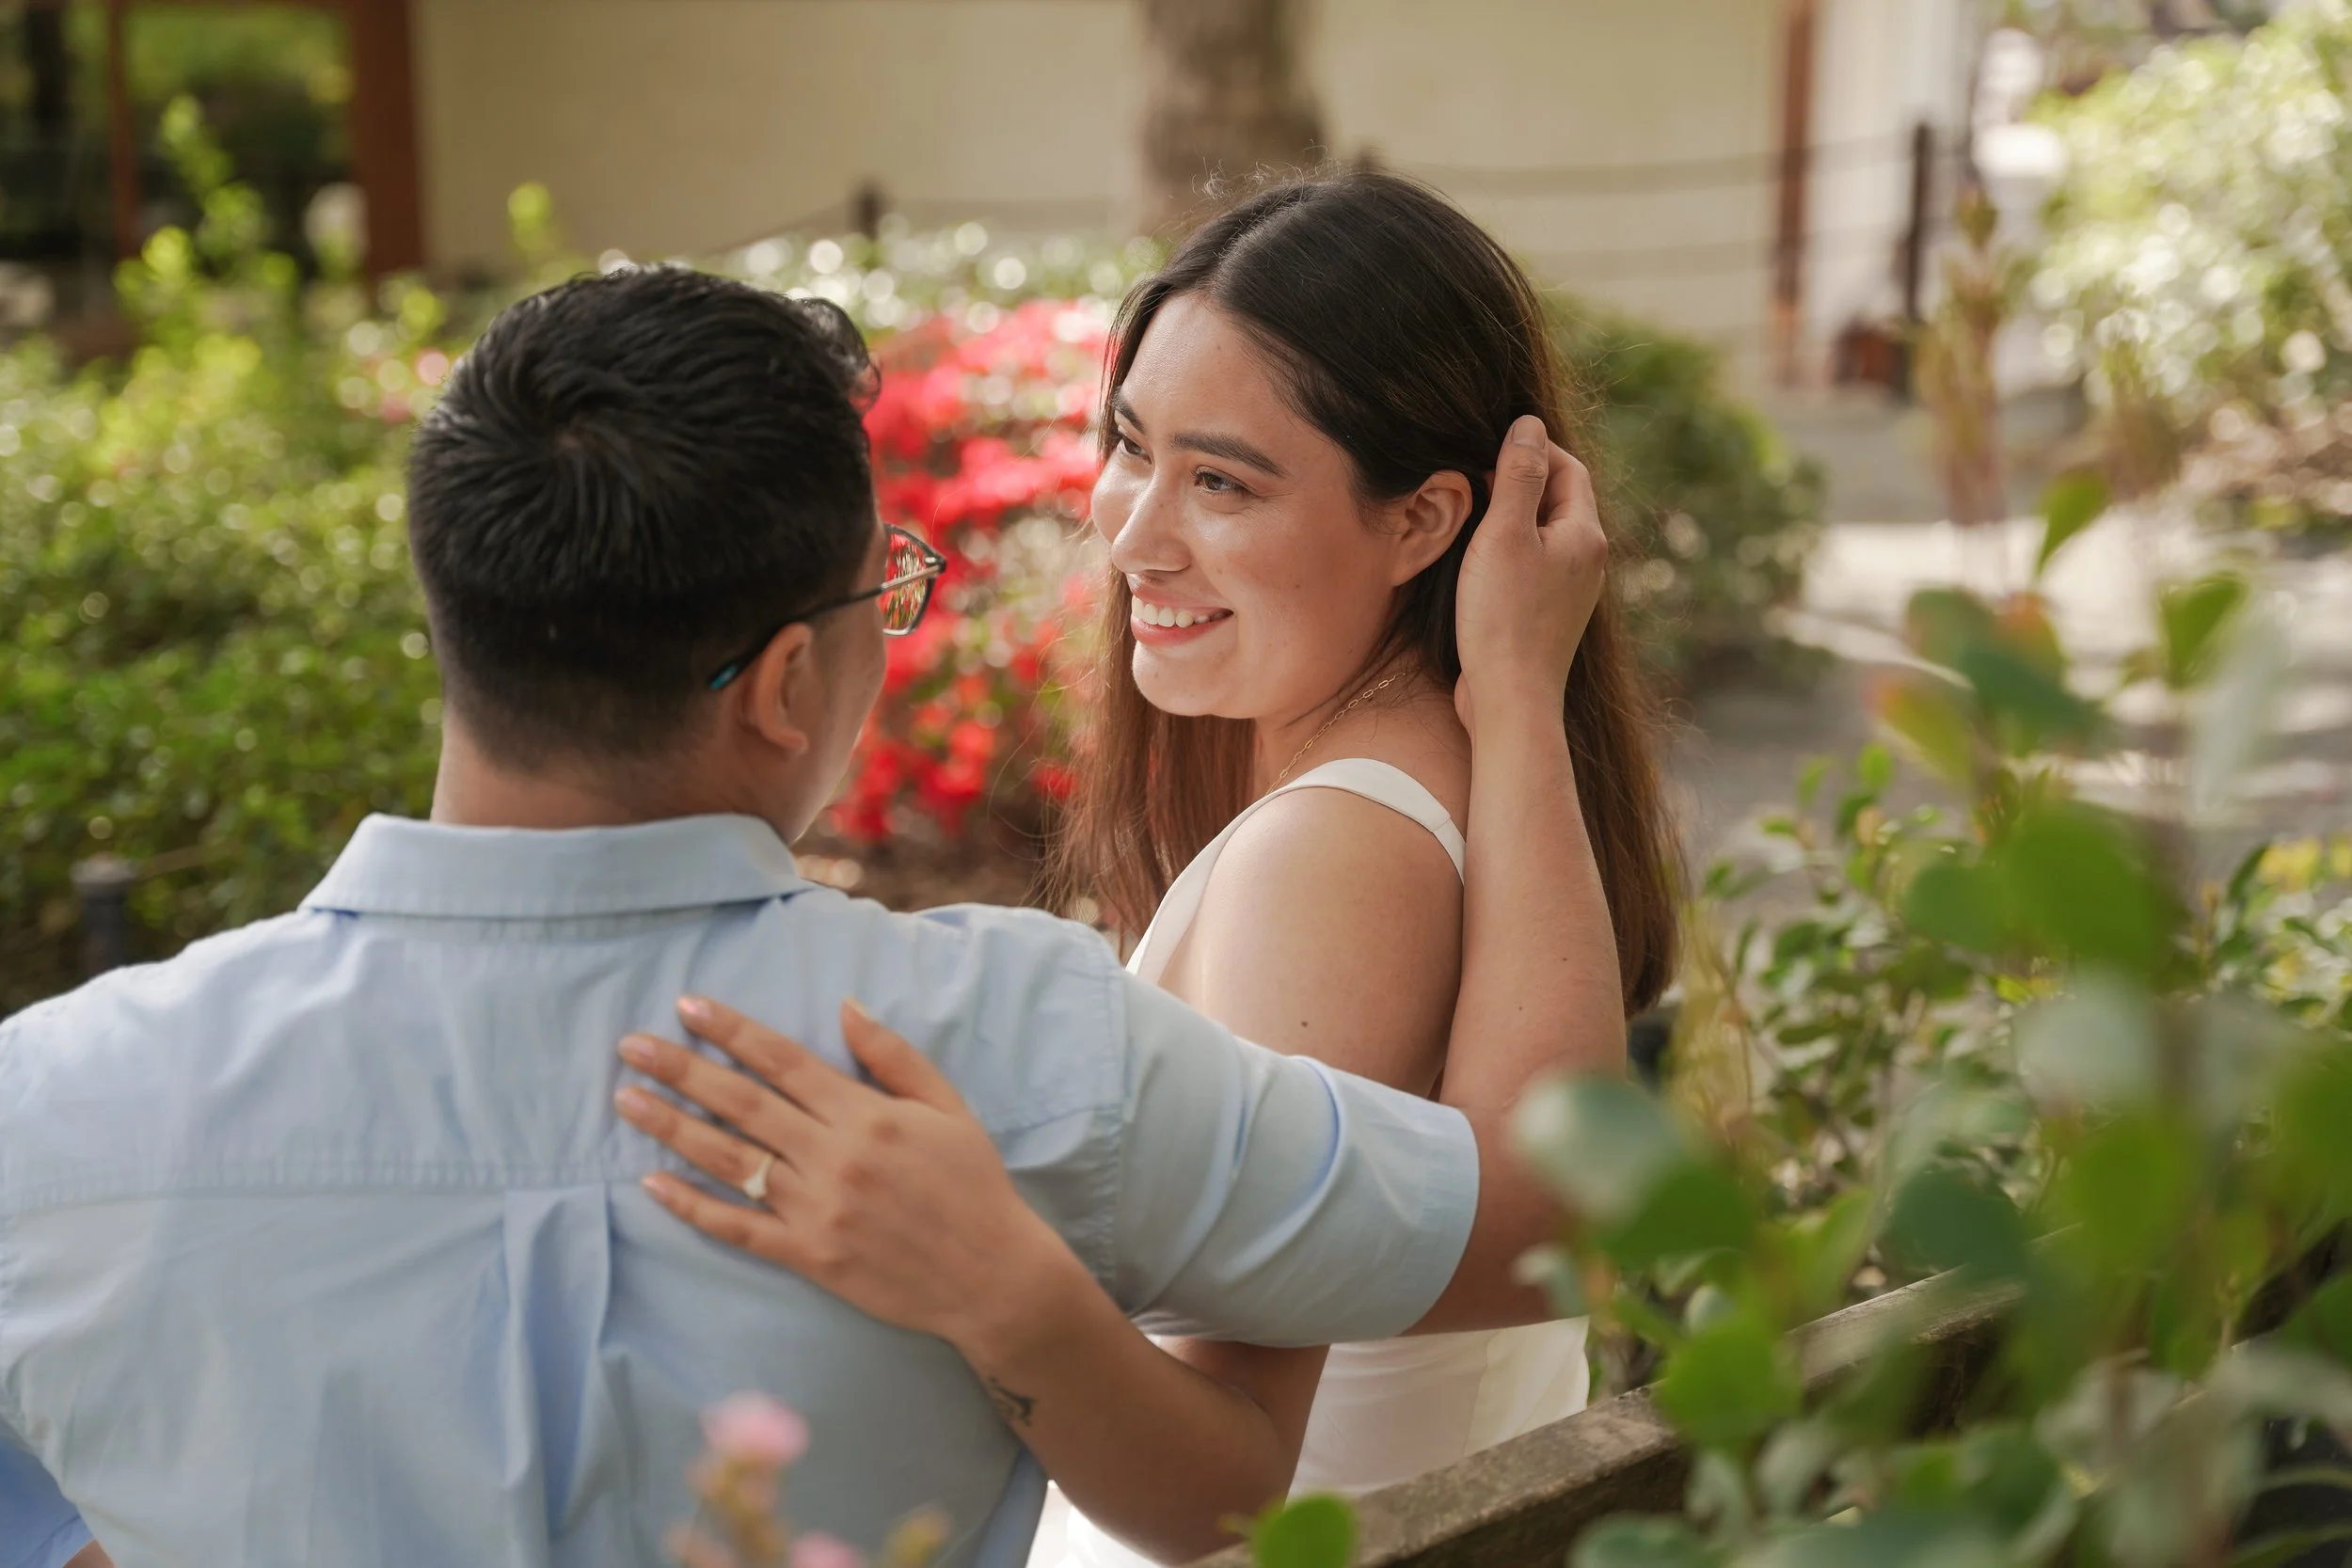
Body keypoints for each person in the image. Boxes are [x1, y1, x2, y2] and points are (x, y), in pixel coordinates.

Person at [0, 255, 1611, 1568]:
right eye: (880, 594)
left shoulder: (51, 1119)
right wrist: (1521, 689)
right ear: (787, 683)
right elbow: (1542, 1210)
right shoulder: (1015, 1054)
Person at [619, 171, 1679, 1567]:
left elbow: (1235, 1456)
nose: (1132, 530)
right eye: (1133, 447)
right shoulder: (1467, 768)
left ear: (1423, 520)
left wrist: (977, 1273)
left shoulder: (1334, 850)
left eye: (1223, 481)